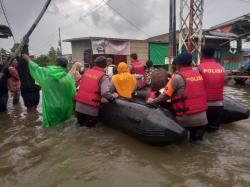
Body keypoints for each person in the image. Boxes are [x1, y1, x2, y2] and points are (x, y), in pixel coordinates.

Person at [147, 52, 208, 142]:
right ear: (191, 63)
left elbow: (165, 96)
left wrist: (151, 102)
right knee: (197, 143)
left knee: (183, 145)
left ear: (179, 65)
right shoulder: (199, 74)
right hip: (203, 120)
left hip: (186, 121)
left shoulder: (177, 78)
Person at [22, 54, 76, 128]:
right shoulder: (68, 78)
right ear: (66, 66)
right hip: (65, 108)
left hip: (51, 108)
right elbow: (73, 94)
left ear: (56, 64)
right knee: (64, 128)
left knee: (51, 130)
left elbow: (36, 68)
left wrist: (28, 59)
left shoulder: (47, 73)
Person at [75, 56, 118, 127]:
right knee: (89, 130)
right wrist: (112, 97)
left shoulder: (86, 72)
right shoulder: (103, 77)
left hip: (79, 106)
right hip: (91, 108)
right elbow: (104, 93)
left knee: (80, 127)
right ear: (105, 65)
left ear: (95, 64)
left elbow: (79, 86)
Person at [198, 46, 225, 132]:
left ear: (201, 54)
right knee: (214, 132)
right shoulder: (221, 67)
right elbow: (225, 82)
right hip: (219, 106)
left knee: (202, 133)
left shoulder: (199, 68)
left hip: (204, 106)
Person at [18, 43, 40, 111]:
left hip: (35, 89)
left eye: (32, 57)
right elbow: (24, 57)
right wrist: (25, 46)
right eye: (31, 57)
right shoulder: (22, 66)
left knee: (35, 107)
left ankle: (33, 119)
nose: (32, 58)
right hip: (27, 90)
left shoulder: (34, 66)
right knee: (30, 108)